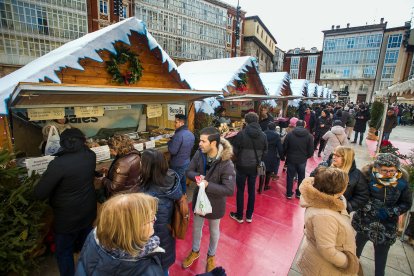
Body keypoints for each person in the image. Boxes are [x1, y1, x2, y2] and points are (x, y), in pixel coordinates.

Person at [34, 128, 97, 276]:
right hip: (88, 212)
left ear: (62, 143)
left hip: (66, 219)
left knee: (64, 252)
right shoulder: (90, 156)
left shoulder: (59, 164)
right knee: (86, 247)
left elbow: (39, 193)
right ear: (82, 141)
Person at [183, 127, 235, 273]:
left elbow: (229, 190)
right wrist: (198, 178)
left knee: (213, 230)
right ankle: (195, 251)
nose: (199, 143)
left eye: (203, 141)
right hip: (199, 199)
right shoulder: (199, 154)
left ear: (213, 143)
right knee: (196, 227)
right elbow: (189, 171)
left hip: (215, 203)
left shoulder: (226, 163)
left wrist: (208, 185)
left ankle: (211, 256)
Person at [352, 153, 412, 276]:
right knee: (354, 252)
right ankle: (351, 269)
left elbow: (406, 204)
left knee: (381, 261)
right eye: (385, 170)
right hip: (364, 222)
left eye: (392, 170)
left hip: (386, 228)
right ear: (377, 168)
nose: (389, 174)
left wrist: (391, 211)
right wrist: (370, 207)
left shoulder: (402, 183)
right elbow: (359, 196)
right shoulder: (367, 178)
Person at [75, 193, 164, 276]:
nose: (154, 220)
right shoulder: (146, 268)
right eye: (150, 218)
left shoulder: (96, 235)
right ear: (133, 229)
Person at [296, 167, 360, 276]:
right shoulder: (324, 216)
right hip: (323, 268)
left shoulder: (330, 204)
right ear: (339, 189)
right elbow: (327, 250)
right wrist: (347, 263)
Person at [139, 149, 182, 276]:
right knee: (164, 268)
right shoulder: (170, 178)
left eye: (142, 162)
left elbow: (151, 227)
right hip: (167, 238)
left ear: (147, 167)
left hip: (155, 243)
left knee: (159, 269)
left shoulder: (150, 195)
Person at [229, 112, 267, 223]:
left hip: (241, 166)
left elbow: (234, 151)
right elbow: (265, 152)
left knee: (240, 191)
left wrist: (237, 160)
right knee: (252, 191)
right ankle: (249, 216)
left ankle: (239, 216)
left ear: (246, 121)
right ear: (257, 120)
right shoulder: (263, 135)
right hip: (255, 167)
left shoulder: (241, 134)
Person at [313, 146, 369, 213]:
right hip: (317, 206)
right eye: (334, 154)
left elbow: (362, 196)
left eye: (337, 156)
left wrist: (346, 206)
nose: (333, 157)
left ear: (346, 159)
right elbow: (311, 180)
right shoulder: (325, 166)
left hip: (337, 212)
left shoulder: (357, 176)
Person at [101, 134, 141, 199]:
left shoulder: (122, 163)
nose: (110, 152)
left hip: (121, 197)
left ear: (117, 148)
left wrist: (103, 179)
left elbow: (114, 187)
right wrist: (110, 172)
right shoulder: (135, 155)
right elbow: (127, 175)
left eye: (110, 149)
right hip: (133, 192)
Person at [282, 120, 314, 199]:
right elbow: (311, 151)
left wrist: (286, 155)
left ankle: (289, 193)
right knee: (301, 176)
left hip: (291, 158)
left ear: (296, 125)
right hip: (302, 160)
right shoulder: (309, 136)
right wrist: (306, 156)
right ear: (304, 126)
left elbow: (285, 146)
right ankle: (299, 193)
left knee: (290, 176)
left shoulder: (290, 134)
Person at [168, 114, 195, 194]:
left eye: (176, 122)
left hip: (177, 164)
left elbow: (173, 151)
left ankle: (177, 201)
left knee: (175, 184)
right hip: (186, 162)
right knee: (182, 181)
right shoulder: (191, 134)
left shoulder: (178, 135)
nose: (174, 124)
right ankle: (184, 196)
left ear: (181, 123)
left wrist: (169, 142)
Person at [262, 122, 283, 191]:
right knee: (269, 171)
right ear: (274, 128)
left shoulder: (263, 133)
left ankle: (260, 186)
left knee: (262, 170)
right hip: (272, 154)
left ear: (268, 127)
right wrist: (282, 156)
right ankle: (266, 185)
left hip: (263, 154)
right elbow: (280, 147)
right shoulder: (277, 135)